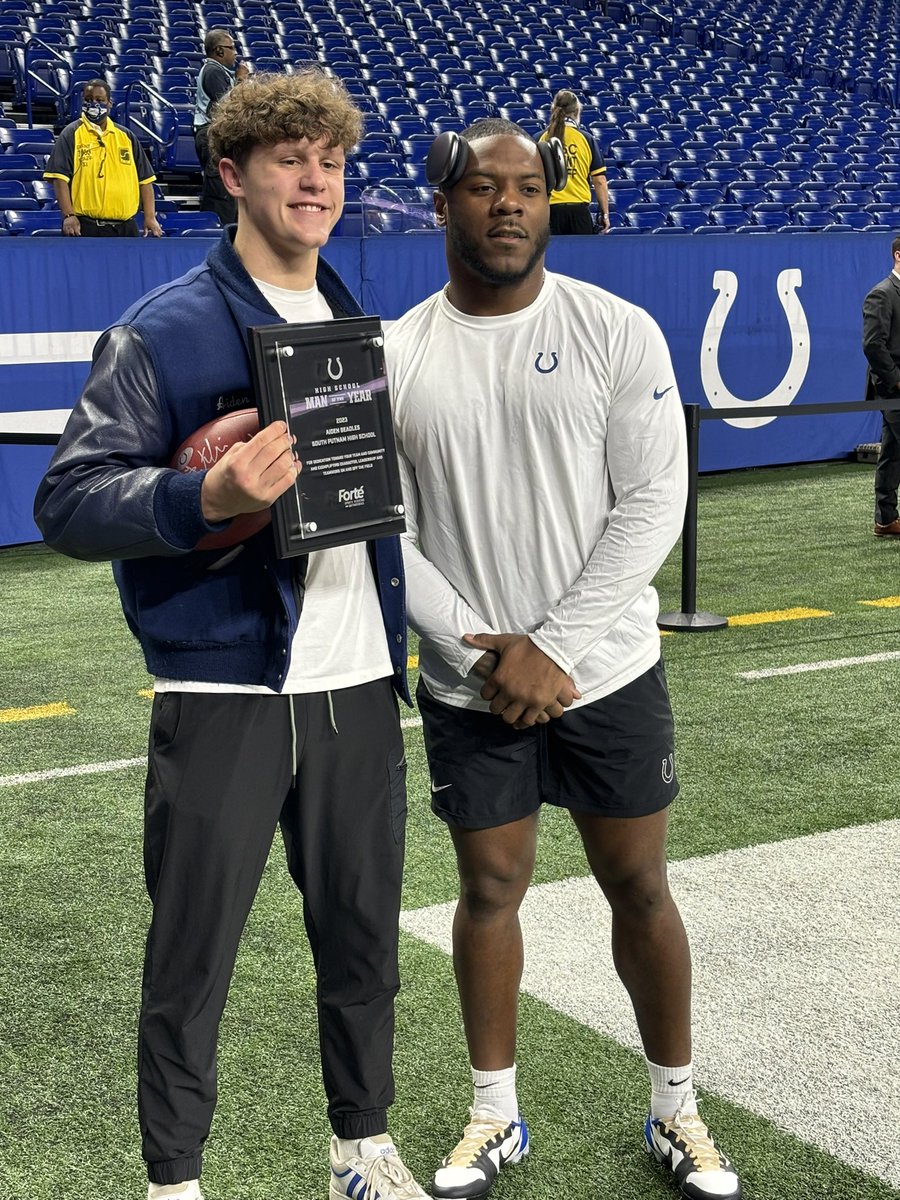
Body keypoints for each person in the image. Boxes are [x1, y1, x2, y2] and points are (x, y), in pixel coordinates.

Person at [34, 70, 427, 1200]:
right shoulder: (163, 327)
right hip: (226, 691)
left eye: (334, 161)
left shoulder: (355, 319)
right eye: (291, 158)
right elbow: (67, 503)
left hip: (356, 681)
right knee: (192, 956)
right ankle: (175, 1181)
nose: (317, 179)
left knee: (362, 943)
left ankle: (363, 1144)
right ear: (233, 174)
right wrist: (199, 501)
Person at [386, 119, 741, 1200]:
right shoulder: (396, 350)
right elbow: (377, 523)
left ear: (552, 203)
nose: (508, 204)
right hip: (468, 682)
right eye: (485, 187)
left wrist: (555, 647)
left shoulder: (616, 329)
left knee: (638, 881)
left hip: (608, 673)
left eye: (529, 187)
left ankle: (677, 1106)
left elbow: (652, 505)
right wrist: (477, 648)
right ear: (440, 204)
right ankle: (493, 1114)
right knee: (489, 887)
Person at [44, 79, 163, 237]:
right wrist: (68, 215)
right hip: (86, 227)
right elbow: (59, 179)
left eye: (99, 100)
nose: (93, 104)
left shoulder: (126, 136)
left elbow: (146, 181)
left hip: (126, 228)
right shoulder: (71, 133)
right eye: (88, 100)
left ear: (110, 103)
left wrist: (150, 217)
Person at [864, 235, 900, 537]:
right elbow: (873, 345)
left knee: (892, 451)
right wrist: (897, 379)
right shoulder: (882, 293)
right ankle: (886, 519)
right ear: (898, 256)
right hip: (894, 389)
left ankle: (886, 520)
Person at [193, 28, 248, 225]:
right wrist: (241, 79)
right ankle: (214, 235)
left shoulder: (218, 71)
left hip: (214, 134)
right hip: (211, 134)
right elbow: (229, 106)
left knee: (226, 194)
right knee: (220, 195)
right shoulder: (213, 71)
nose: (235, 52)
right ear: (219, 51)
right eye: (231, 48)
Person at [539, 89, 609, 235]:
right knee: (581, 257)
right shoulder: (586, 139)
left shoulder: (540, 138)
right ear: (577, 111)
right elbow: (600, 180)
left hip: (549, 213)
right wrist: (605, 214)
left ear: (553, 110)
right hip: (579, 213)